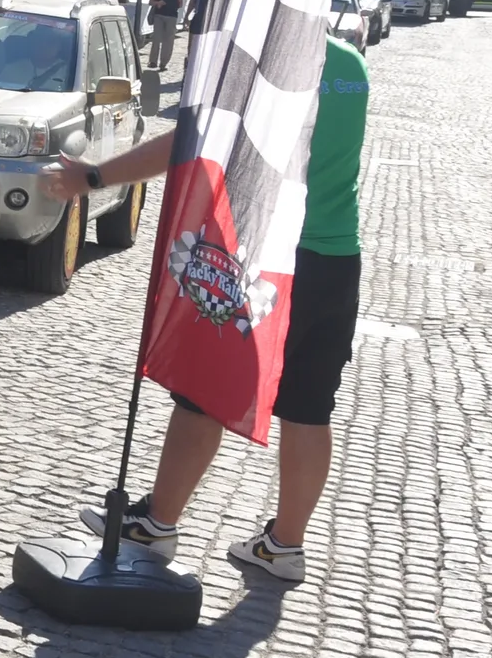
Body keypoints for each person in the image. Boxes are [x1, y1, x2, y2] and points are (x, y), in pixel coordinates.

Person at [38, 31, 371, 582]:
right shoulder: (352, 65)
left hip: (266, 249)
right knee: (310, 406)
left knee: (204, 389)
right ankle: (286, 545)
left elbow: (191, 142)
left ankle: (159, 523)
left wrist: (92, 176)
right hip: (335, 255)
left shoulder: (270, 61)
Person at [147, 0, 183, 71]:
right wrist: (158, 3)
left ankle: (163, 62)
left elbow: (180, 4)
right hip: (159, 15)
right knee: (156, 39)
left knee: (168, 40)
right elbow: (151, 2)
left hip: (171, 16)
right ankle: (153, 61)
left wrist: (169, 4)